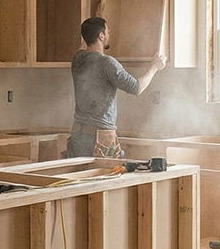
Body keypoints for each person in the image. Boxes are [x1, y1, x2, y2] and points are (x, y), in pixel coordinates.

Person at [63, 17, 166, 158]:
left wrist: (94, 25)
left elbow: (85, 43)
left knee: (81, 178)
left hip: (78, 135)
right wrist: (155, 67)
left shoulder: (77, 58)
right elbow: (136, 88)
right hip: (99, 138)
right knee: (103, 179)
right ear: (101, 36)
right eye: (107, 31)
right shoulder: (107, 63)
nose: (109, 34)